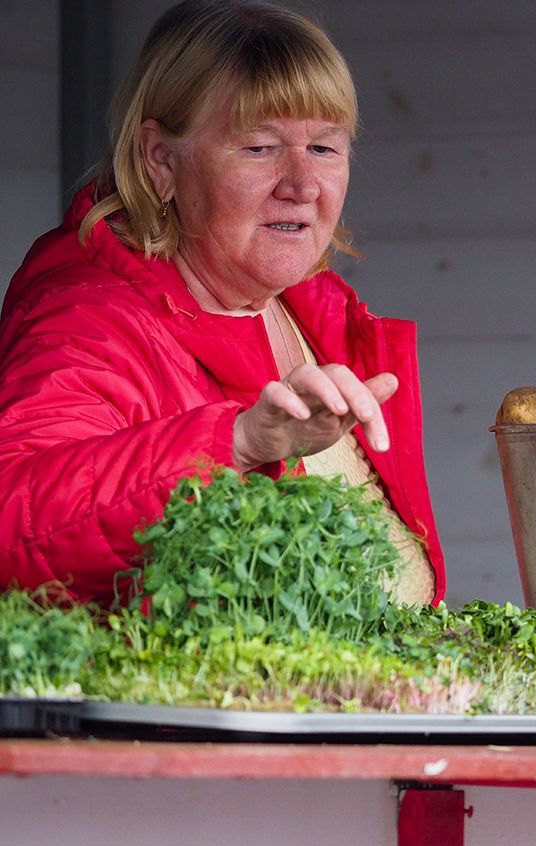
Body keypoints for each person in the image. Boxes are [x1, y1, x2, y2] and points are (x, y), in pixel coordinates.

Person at [0, 0, 444, 606]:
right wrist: (234, 445)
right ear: (161, 160)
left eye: (324, 148)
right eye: (259, 148)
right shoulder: (87, 321)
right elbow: (14, 522)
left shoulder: (314, 311)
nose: (302, 185)